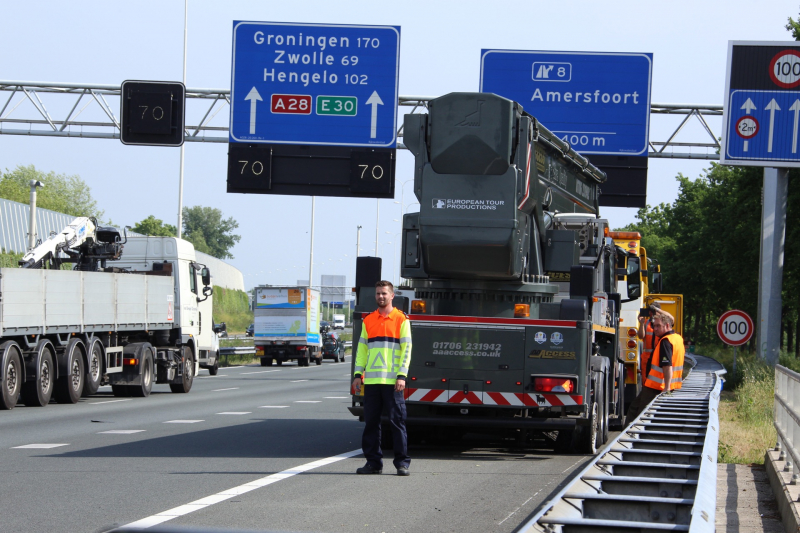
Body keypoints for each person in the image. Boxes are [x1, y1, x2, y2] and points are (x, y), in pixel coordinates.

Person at [352, 280, 412, 476]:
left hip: (393, 382)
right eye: (378, 293)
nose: (380, 296)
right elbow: (361, 350)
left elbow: (406, 350)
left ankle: (402, 463)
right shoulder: (368, 320)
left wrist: (402, 375)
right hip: (371, 382)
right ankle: (373, 463)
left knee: (397, 423)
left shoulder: (401, 319)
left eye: (384, 293)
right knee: (371, 424)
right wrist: (358, 374)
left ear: (392, 296)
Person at [624, 310, 685, 425]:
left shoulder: (665, 341)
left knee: (640, 413)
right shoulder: (677, 338)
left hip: (656, 386)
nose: (655, 329)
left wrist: (666, 388)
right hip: (667, 385)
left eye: (658, 326)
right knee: (635, 407)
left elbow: (667, 366)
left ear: (667, 325)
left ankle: (631, 436)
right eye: (654, 326)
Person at [637, 302, 661, 385]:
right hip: (647, 356)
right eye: (650, 311)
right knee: (646, 379)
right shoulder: (646, 322)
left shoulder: (662, 323)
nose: (651, 313)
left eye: (653, 311)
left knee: (658, 378)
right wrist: (641, 323)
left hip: (658, 354)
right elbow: (641, 336)